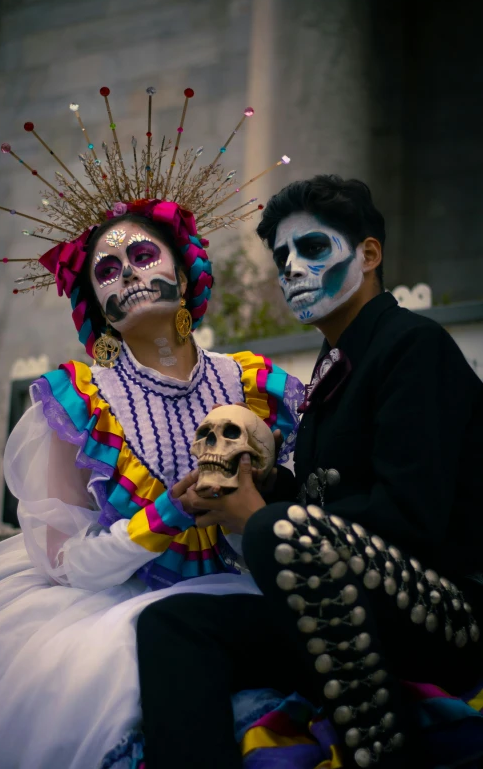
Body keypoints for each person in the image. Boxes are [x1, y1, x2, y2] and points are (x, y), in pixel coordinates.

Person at [0, 89, 303, 769]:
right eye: (108, 271)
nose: (131, 276)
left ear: (183, 265)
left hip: (250, 592)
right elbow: (70, 565)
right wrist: (168, 512)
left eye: (145, 256)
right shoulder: (78, 402)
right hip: (116, 606)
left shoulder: (257, 383)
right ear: (97, 304)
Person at [137, 175, 483, 769]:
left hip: (448, 615)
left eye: (314, 248)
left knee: (277, 531)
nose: (292, 268)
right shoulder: (336, 365)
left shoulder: (413, 347)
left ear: (369, 254)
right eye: (282, 258)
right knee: (174, 622)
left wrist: (265, 516)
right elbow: (333, 506)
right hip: (347, 603)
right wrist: (265, 485)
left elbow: (411, 519)